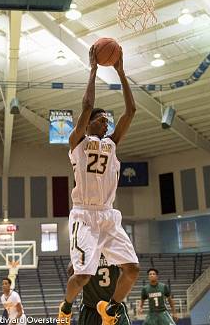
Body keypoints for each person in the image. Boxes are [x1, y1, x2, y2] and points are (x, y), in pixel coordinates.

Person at [58, 46, 139, 325]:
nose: (106, 125)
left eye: (108, 122)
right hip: (83, 214)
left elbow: (132, 110)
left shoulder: (111, 145)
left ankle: (112, 309)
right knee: (81, 276)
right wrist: (93, 69)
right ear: (90, 122)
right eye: (102, 121)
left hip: (107, 213)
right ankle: (66, 309)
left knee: (132, 269)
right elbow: (87, 106)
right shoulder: (77, 142)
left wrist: (121, 71)